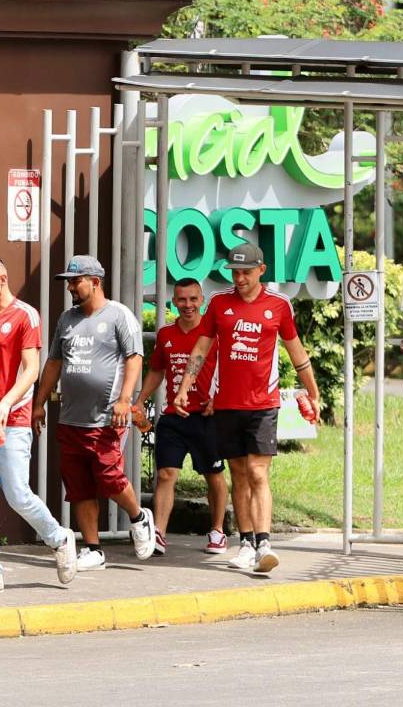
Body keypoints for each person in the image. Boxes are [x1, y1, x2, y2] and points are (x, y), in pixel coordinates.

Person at [173, 243, 320, 574]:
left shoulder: (279, 306)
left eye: (246, 273)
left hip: (263, 404)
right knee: (238, 474)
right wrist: (185, 388)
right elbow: (200, 349)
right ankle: (246, 543)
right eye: (235, 273)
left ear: (261, 270)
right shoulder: (220, 304)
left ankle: (265, 543)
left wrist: (313, 391)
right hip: (226, 403)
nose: (239, 279)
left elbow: (296, 351)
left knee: (257, 472)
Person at [0, 256, 78, 595]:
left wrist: (6, 403)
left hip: (11, 421)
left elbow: (31, 369)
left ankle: (59, 537)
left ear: (3, 279)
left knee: (17, 495)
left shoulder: (26, 316)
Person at [33, 254, 155, 571]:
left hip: (106, 417)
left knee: (110, 477)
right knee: (79, 487)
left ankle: (139, 517)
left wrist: (125, 399)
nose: (71, 287)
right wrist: (38, 403)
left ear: (95, 282)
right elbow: (54, 363)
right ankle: (94, 549)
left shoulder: (119, 316)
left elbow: (135, 358)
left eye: (76, 281)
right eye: (69, 281)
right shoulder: (67, 320)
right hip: (71, 418)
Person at [132, 278, 229, 556]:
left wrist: (218, 398)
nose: (187, 305)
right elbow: (157, 371)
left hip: (207, 416)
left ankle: (218, 530)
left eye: (193, 299)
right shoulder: (165, 334)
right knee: (165, 474)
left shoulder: (214, 333)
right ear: (173, 302)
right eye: (182, 300)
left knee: (213, 474)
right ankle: (159, 533)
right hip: (174, 416)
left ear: (202, 301)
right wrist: (139, 400)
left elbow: (231, 368)